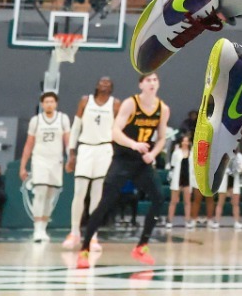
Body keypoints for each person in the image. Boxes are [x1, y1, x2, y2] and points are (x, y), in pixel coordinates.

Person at [75, 73, 168, 268]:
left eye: (155, 80)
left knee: (159, 197)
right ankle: (84, 248)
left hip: (142, 162)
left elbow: (161, 138)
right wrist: (134, 145)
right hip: (123, 160)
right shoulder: (130, 104)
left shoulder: (163, 109)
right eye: (148, 80)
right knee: (104, 204)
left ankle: (142, 246)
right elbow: (115, 132)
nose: (152, 83)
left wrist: (154, 153)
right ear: (141, 84)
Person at [63, 77, 116, 249]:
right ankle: (74, 232)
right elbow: (76, 128)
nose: (105, 83)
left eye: (108, 82)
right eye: (102, 81)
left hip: (105, 149)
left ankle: (93, 235)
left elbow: (118, 130)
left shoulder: (116, 104)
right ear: (96, 85)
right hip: (86, 148)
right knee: (79, 192)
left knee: (97, 195)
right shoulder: (86, 101)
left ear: (112, 88)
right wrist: (71, 152)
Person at [20, 90, 72, 242]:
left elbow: (68, 142)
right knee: (40, 192)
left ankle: (43, 228)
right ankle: (37, 229)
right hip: (40, 159)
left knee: (50, 196)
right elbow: (29, 145)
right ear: (42, 104)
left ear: (56, 104)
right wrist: (23, 166)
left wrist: (70, 159)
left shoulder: (63, 119)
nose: (49, 104)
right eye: (46, 102)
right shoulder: (36, 121)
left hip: (56, 160)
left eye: (52, 101)